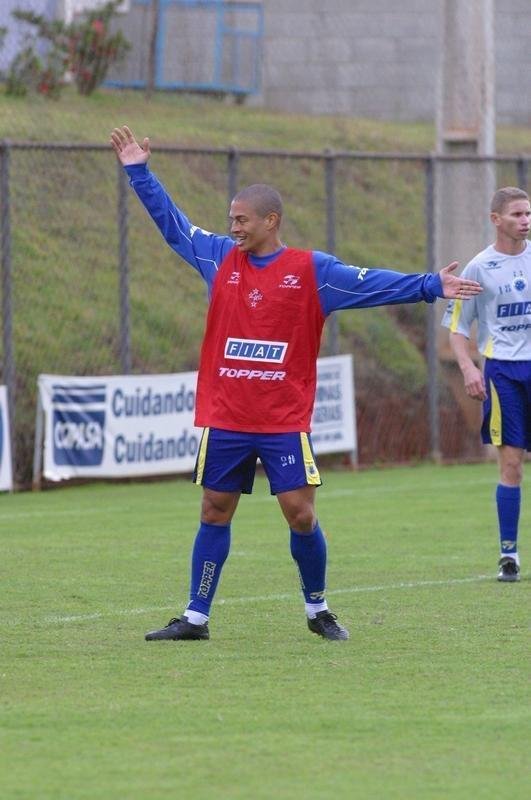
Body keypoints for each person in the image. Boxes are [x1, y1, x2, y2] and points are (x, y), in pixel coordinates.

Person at [110, 124, 481, 642]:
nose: (233, 227)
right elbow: (174, 226)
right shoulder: (218, 258)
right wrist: (138, 172)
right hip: (227, 417)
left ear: (271, 221)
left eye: (241, 220)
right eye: (230, 220)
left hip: (282, 420)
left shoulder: (311, 270)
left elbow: (369, 283)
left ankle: (317, 609)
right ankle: (195, 616)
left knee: (300, 513)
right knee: (214, 510)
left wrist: (429, 285)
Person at [442, 186, 531, 583]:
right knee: (511, 464)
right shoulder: (479, 268)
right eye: (516, 215)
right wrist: (468, 368)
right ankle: (508, 554)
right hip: (503, 373)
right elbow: (458, 330)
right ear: (496, 220)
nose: (525, 221)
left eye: (528, 214)